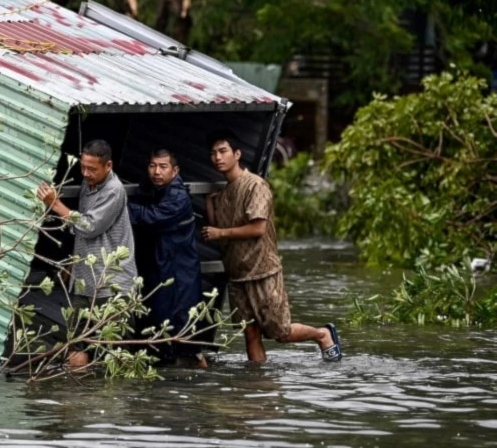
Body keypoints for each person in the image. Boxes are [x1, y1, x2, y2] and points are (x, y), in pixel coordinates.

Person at [200, 130, 342, 363]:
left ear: (237, 154)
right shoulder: (223, 194)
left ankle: (322, 334)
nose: (218, 157)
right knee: (250, 334)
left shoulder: (255, 185)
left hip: (262, 270)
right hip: (237, 275)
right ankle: (258, 381)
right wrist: (210, 204)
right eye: (213, 153)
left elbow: (257, 228)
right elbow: (218, 233)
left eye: (223, 151)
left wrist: (220, 232)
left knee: (280, 332)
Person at [36, 139, 138, 366]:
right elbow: (82, 232)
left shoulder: (114, 190)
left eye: (92, 169)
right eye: (82, 167)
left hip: (112, 285)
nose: (85, 173)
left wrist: (55, 204)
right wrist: (74, 263)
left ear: (108, 166)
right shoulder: (87, 184)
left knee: (116, 355)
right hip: (85, 282)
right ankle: (79, 388)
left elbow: (89, 226)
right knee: (77, 346)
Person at [128, 149, 206, 367]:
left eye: (163, 167)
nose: (157, 172)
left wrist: (122, 205)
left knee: (182, 329)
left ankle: (194, 366)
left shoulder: (177, 196)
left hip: (178, 271)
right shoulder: (154, 190)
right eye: (152, 166)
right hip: (163, 268)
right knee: (161, 323)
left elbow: (151, 217)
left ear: (175, 170)